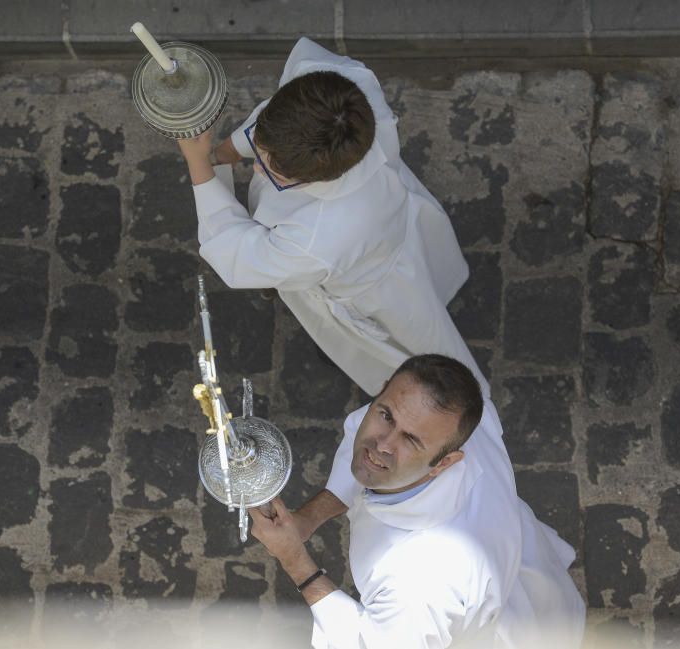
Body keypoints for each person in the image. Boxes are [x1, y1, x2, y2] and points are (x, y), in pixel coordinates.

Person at [177, 38, 486, 397]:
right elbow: (272, 118)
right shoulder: (337, 91)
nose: (258, 170)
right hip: (396, 220)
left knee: (412, 342)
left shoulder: (316, 240)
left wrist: (199, 162)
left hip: (369, 282)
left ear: (317, 178)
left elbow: (236, 251)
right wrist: (223, 153)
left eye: (272, 172)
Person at [248, 354, 586, 649]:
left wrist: (295, 559)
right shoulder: (461, 415)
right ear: (382, 391)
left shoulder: (421, 582)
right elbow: (363, 450)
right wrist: (308, 519)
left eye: (410, 440)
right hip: (519, 563)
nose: (382, 445)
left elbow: (366, 642)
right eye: (385, 416)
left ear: (446, 462)